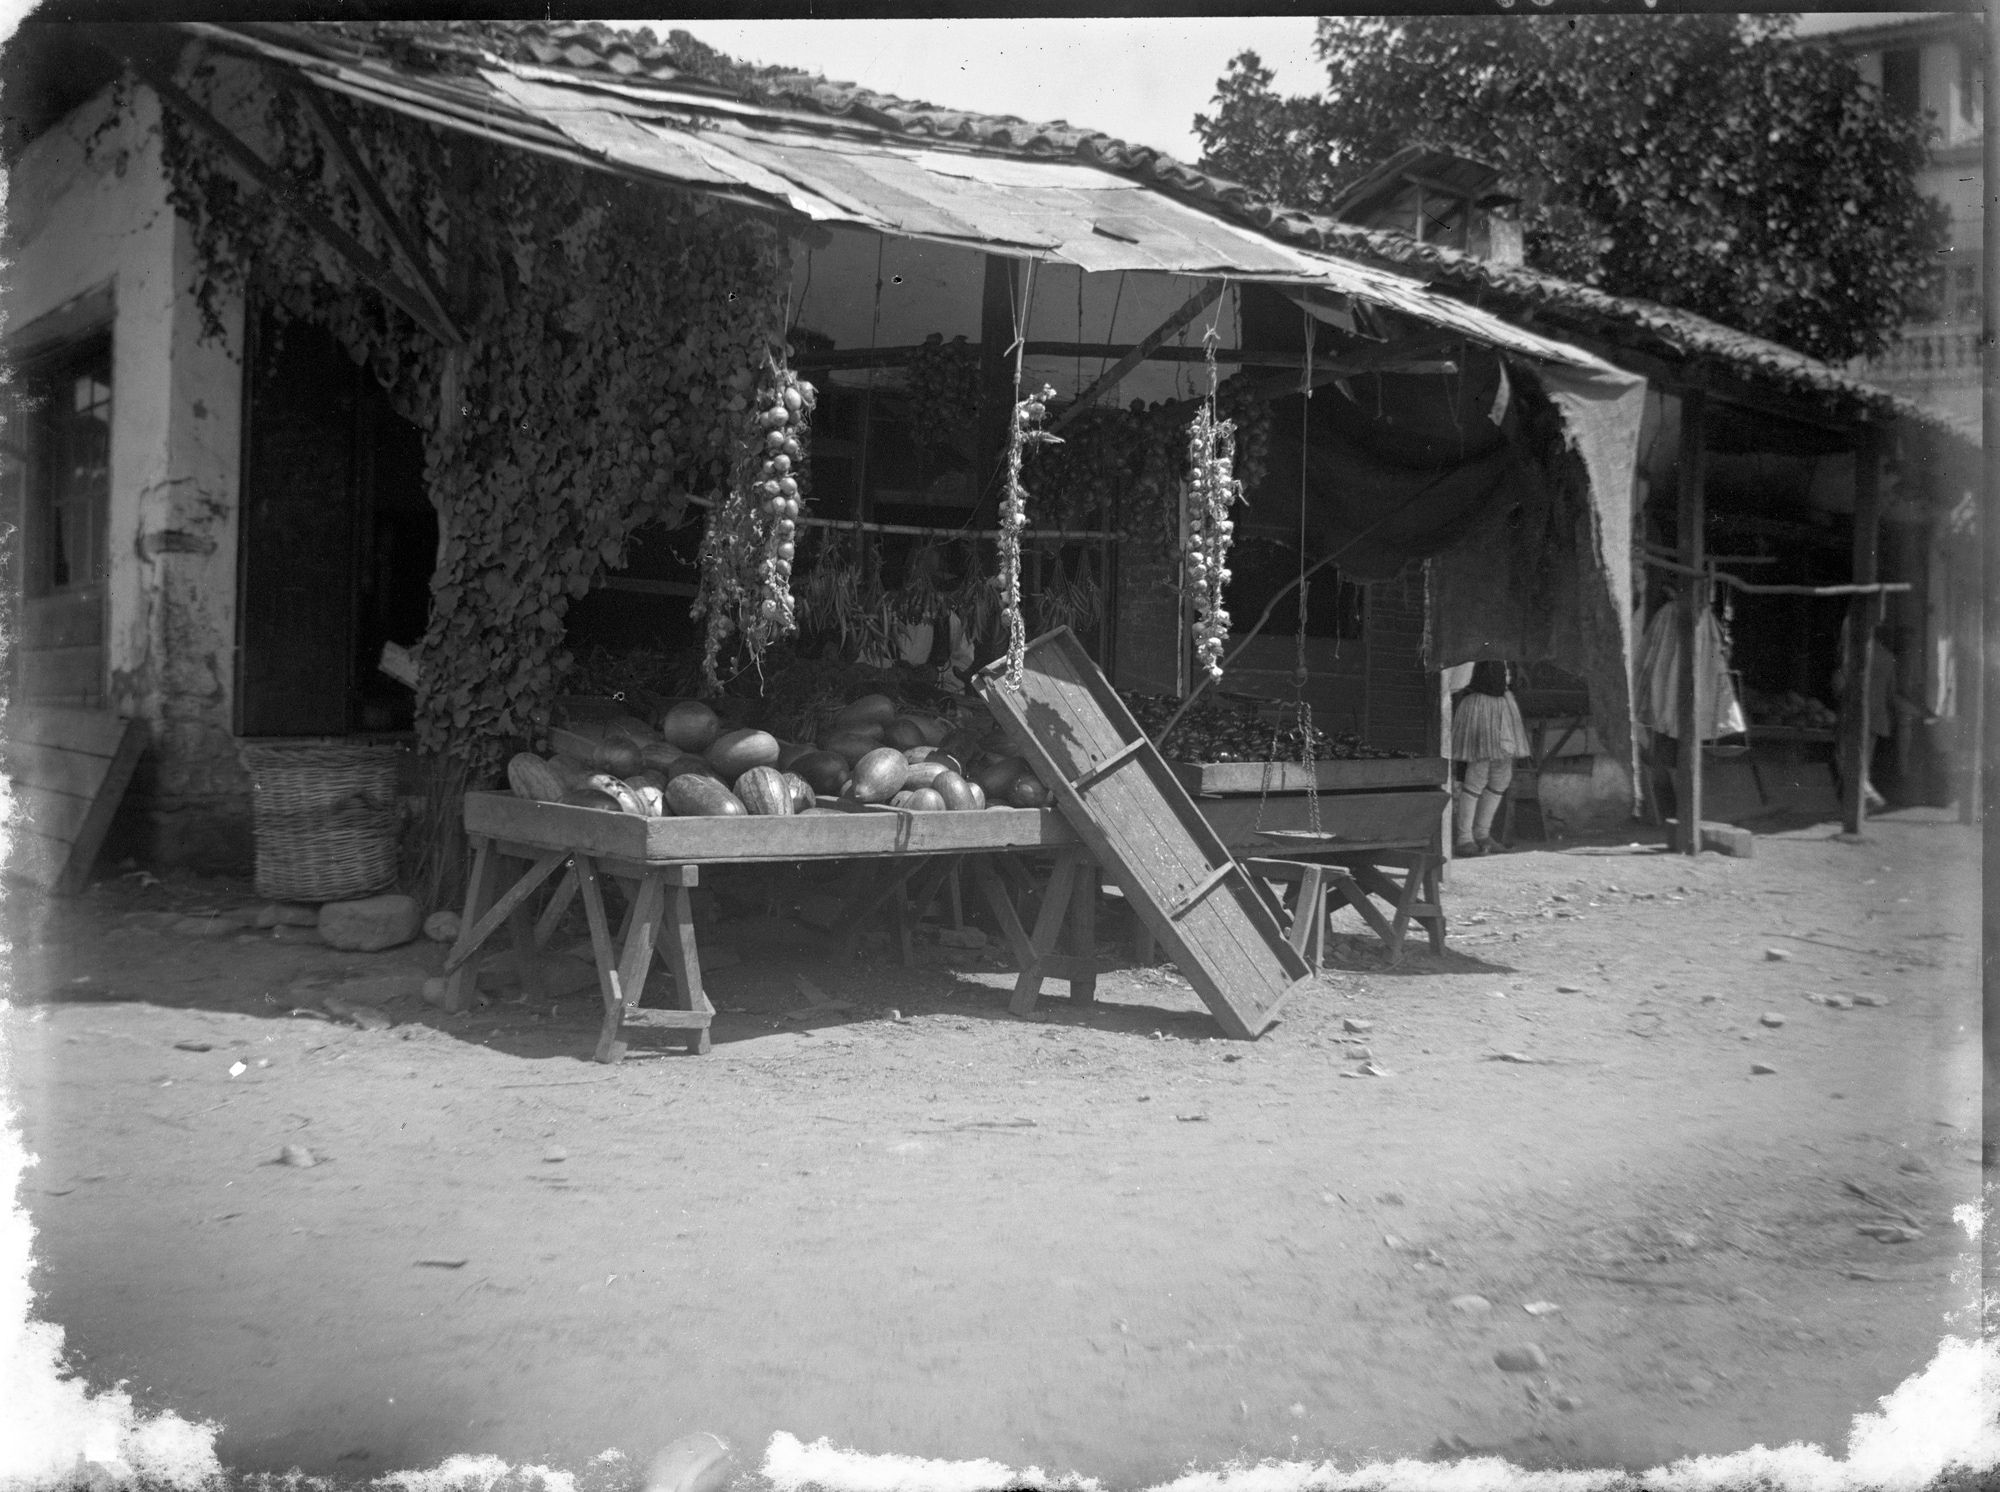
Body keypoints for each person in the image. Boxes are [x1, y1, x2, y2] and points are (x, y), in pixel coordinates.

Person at [1449, 660, 1528, 856]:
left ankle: (1482, 834)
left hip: (1503, 705)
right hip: (1481, 706)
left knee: (1501, 777)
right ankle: (1464, 839)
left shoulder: (1504, 651)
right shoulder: (1477, 647)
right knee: (1478, 774)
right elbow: (1457, 680)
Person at [1831, 622, 1897, 814]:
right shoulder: (1888, 656)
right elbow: (1891, 693)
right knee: (1864, 762)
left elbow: (1839, 684)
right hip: (1877, 717)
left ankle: (1871, 797)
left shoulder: (1854, 654)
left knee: (1845, 758)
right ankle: (1860, 808)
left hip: (1855, 713)